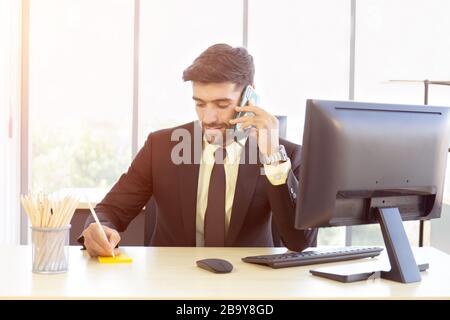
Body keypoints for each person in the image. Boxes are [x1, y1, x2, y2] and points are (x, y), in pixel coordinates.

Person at [79, 43, 317, 257]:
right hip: (172, 283)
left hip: (248, 284)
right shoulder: (161, 147)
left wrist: (272, 156)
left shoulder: (285, 155)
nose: (209, 118)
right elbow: (111, 209)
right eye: (200, 104)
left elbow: (300, 242)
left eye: (222, 104)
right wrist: (98, 230)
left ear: (249, 96)